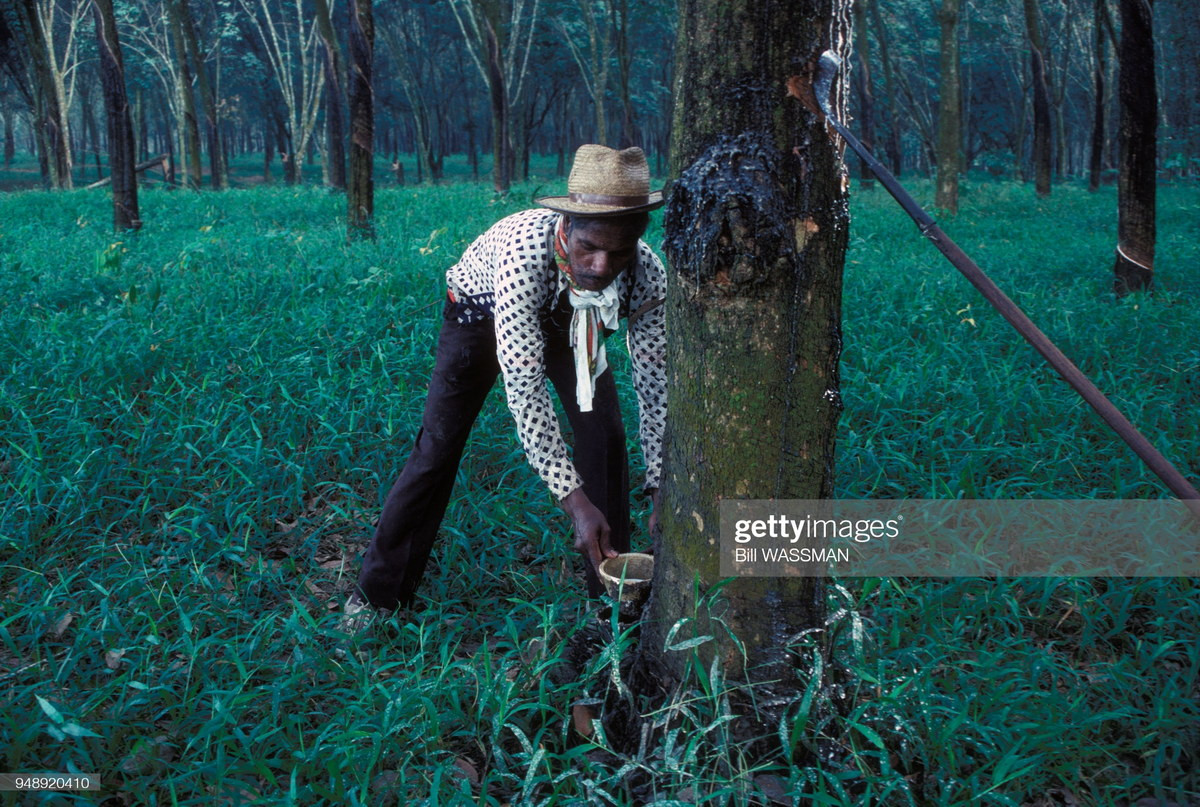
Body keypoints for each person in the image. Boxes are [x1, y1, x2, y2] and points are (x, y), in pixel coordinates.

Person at [346, 144, 667, 619]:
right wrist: (574, 501)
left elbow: (656, 384)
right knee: (437, 449)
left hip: (570, 326)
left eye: (618, 252)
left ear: (638, 238)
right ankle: (375, 598)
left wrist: (661, 488)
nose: (601, 267)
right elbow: (525, 388)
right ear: (567, 224)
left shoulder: (647, 272)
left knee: (605, 436)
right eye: (589, 248)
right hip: (478, 315)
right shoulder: (525, 252)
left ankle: (611, 598)